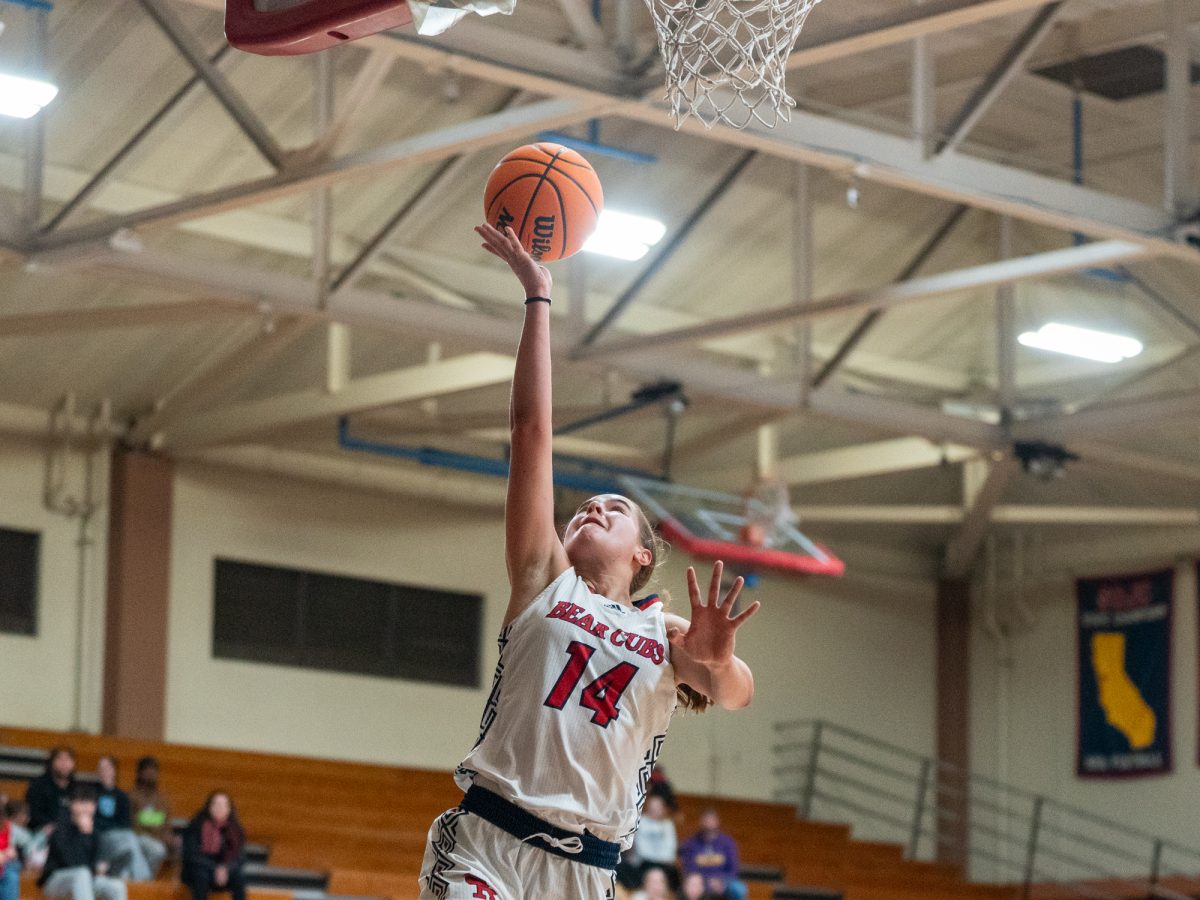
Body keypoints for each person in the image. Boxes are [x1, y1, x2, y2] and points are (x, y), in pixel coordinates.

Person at [417, 223, 761, 900]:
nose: (589, 511)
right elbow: (529, 434)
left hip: (585, 870)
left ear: (642, 553)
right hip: (491, 840)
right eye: (581, 510)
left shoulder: (662, 635)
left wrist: (717, 659)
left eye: (612, 507)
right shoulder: (543, 580)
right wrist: (538, 298)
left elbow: (734, 694)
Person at [39, 786, 127, 900]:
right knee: (82, 873)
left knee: (116, 885)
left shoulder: (95, 832)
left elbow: (98, 864)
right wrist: (84, 834)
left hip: (87, 880)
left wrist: (101, 867)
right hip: (55, 880)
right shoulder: (60, 829)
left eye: (90, 803)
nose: (86, 807)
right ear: (72, 805)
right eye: (81, 802)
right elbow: (72, 862)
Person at [95, 755, 155, 881]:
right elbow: (94, 820)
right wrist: (112, 827)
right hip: (102, 835)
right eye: (101, 768)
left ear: (114, 771)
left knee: (146, 847)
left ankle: (133, 879)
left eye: (107, 768)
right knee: (130, 841)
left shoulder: (121, 796)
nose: (104, 771)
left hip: (121, 835)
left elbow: (126, 823)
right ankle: (142, 880)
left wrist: (115, 827)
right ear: (97, 772)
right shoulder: (92, 792)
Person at [182, 792, 246, 900]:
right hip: (200, 868)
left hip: (225, 871)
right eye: (216, 805)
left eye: (223, 805)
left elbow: (240, 857)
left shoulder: (235, 829)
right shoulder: (197, 825)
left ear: (229, 809)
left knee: (239, 877)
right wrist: (215, 869)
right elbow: (191, 854)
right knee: (200, 875)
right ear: (209, 807)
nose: (219, 808)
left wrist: (226, 869)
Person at [678, 811, 745, 900]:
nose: (709, 823)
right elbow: (689, 867)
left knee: (739, 888)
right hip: (701, 881)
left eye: (711, 820)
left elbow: (733, 868)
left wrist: (721, 880)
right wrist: (706, 880)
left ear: (717, 821)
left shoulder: (728, 842)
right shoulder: (691, 843)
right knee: (691, 887)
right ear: (701, 822)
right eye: (706, 820)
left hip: (723, 881)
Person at [129, 756, 174, 876]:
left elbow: (166, 823)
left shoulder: (162, 799)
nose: (151, 774)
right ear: (140, 773)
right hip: (138, 838)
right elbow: (134, 823)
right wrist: (154, 830)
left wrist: (166, 836)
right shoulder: (132, 796)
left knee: (172, 846)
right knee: (158, 850)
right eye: (147, 770)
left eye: (154, 770)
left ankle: (144, 881)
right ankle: (145, 882)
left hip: (158, 839)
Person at [26, 746, 77, 832]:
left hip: (70, 833)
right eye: (60, 759)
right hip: (44, 831)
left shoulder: (77, 787)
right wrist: (51, 825)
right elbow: (33, 813)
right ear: (51, 763)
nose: (64, 764)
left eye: (68, 759)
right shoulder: (38, 785)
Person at [633, 796, 678, 889]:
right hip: (644, 863)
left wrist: (662, 859)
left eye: (658, 808)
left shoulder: (668, 825)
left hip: (664, 863)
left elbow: (671, 848)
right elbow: (640, 848)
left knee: (675, 874)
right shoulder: (640, 822)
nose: (655, 811)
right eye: (652, 808)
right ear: (648, 808)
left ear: (663, 809)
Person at [0, 799, 19, 900]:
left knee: (12, 872)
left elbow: (9, 847)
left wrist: (10, 852)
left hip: (4, 868)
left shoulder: (6, 825)